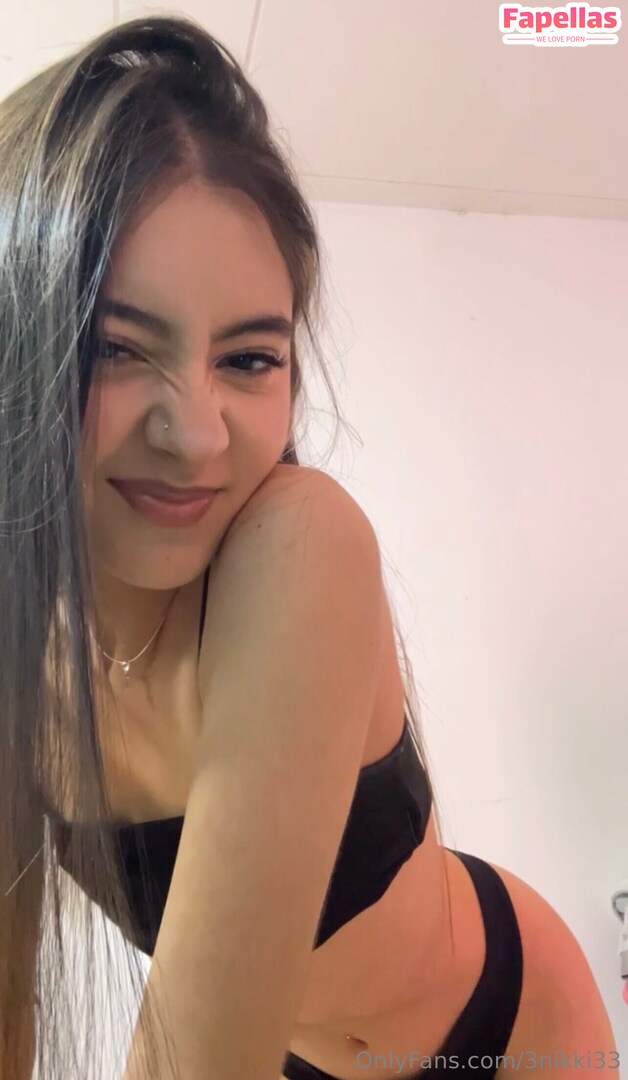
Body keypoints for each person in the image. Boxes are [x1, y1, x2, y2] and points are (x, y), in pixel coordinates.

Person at [0, 14, 617, 1080]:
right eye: (116, 347)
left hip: (512, 1023)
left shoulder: (298, 542)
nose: (197, 435)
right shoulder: (23, 656)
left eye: (248, 359)